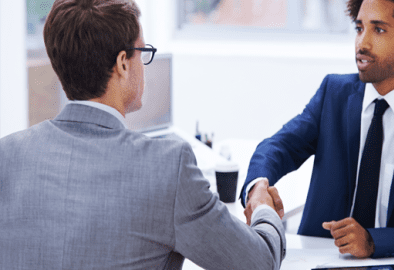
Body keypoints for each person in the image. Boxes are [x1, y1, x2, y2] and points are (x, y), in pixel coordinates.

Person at [0, 0, 285, 269]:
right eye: (143, 52)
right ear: (123, 63)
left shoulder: (7, 155)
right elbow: (258, 262)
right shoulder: (168, 168)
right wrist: (262, 209)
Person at [241, 0, 394, 259]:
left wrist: (374, 242)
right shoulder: (333, 94)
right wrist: (257, 187)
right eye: (359, 28)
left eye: (378, 30)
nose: (361, 43)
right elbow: (280, 146)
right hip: (322, 259)